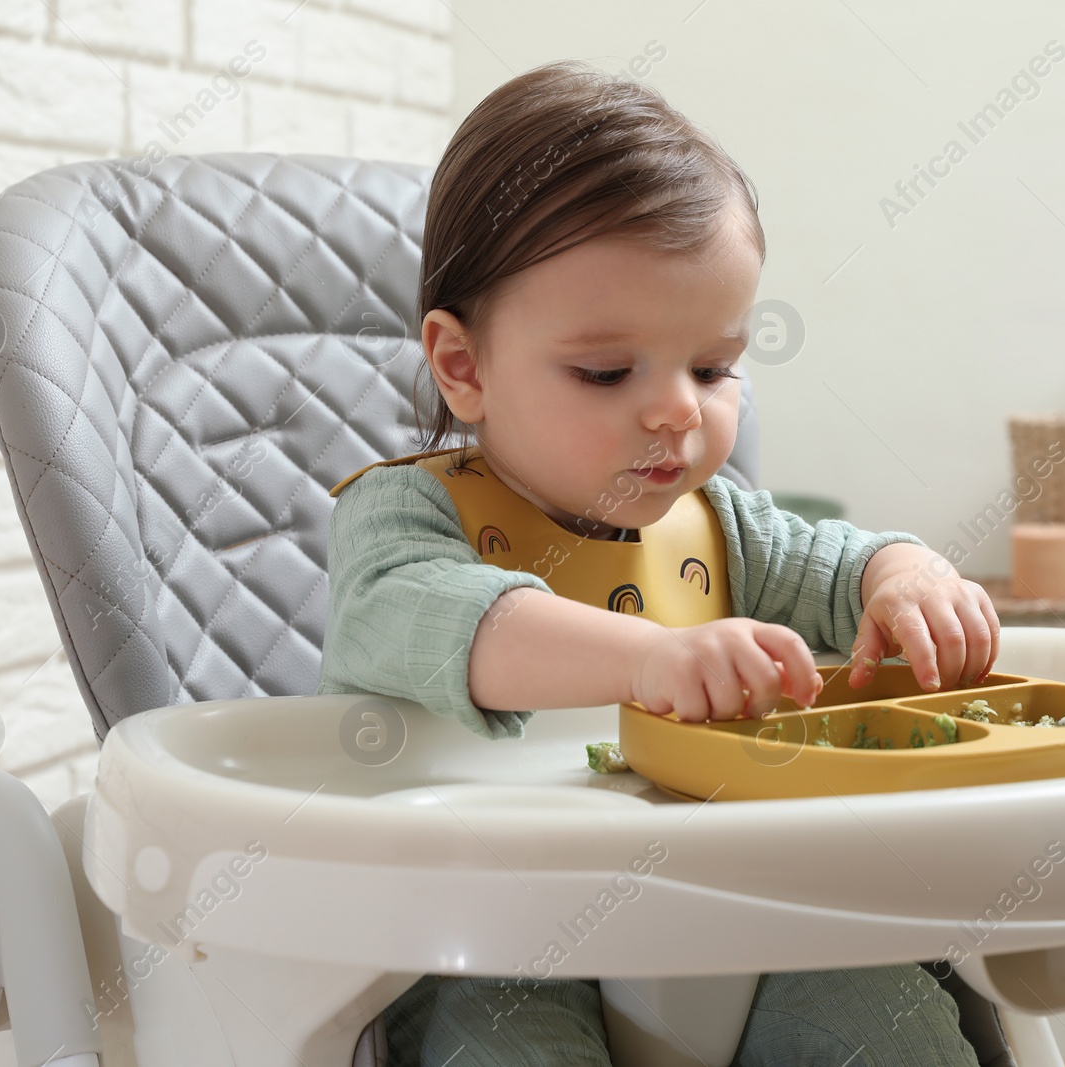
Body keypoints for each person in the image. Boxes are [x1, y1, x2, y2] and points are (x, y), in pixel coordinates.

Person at [317, 58, 1000, 1067]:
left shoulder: (718, 523)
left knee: (888, 1022)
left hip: (738, 920)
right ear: (462, 366)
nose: (680, 408)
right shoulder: (406, 518)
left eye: (713, 366)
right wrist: (645, 659)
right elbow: (446, 615)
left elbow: (838, 562)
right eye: (605, 370)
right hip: (482, 940)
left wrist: (907, 579)